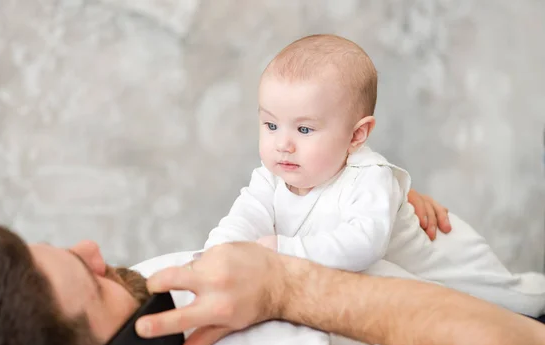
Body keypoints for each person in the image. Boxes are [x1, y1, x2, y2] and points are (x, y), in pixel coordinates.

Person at [0, 196, 544, 345]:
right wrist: (287, 287)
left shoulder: (147, 305)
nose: (94, 249)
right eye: (91, 280)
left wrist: (370, 205)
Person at [203, 34, 545, 316]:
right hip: (406, 291)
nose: (283, 144)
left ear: (356, 136)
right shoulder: (270, 178)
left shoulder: (369, 176)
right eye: (271, 125)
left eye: (304, 129)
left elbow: (363, 244)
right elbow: (243, 219)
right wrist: (215, 256)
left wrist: (282, 250)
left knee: (519, 303)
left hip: (450, 267)